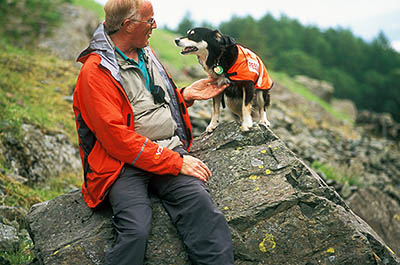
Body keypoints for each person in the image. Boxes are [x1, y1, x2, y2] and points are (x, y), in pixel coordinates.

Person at [72, 0, 234, 264]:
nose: (155, 26)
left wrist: (184, 96)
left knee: (203, 211)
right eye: (149, 21)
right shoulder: (95, 73)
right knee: (136, 230)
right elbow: (116, 139)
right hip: (121, 165)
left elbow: (147, 104)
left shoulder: (147, 53)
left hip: (167, 149)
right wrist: (175, 162)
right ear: (128, 25)